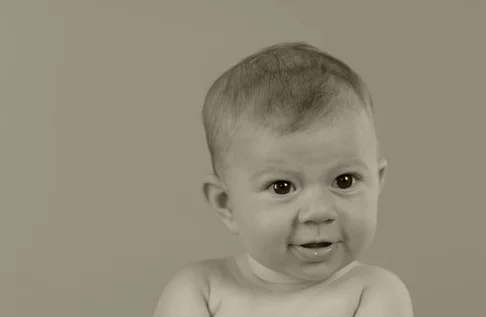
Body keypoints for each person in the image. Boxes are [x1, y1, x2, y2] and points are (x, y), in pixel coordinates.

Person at [153, 42, 414, 317]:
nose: (319, 212)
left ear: (377, 183)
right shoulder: (199, 289)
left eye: (345, 180)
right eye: (282, 187)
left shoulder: (374, 292)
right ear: (226, 203)